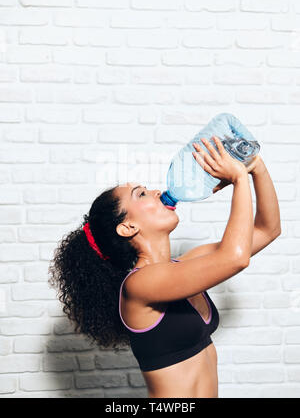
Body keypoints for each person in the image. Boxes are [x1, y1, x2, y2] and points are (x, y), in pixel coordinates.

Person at [49, 136, 281, 398]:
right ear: (128, 227)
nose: (157, 192)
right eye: (142, 194)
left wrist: (255, 167)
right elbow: (235, 258)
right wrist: (239, 181)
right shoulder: (139, 286)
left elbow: (267, 229)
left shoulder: (187, 264)